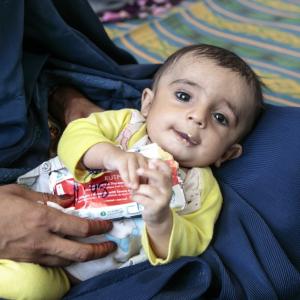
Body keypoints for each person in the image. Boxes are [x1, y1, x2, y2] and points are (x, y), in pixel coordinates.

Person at [3, 44, 264, 299]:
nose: (198, 117)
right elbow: (75, 135)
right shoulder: (126, 125)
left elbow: (192, 244)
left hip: (71, 274)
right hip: (35, 211)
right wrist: (110, 155)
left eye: (220, 117)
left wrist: (161, 218)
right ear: (148, 103)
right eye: (184, 97)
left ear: (227, 154)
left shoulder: (201, 189)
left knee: (30, 288)